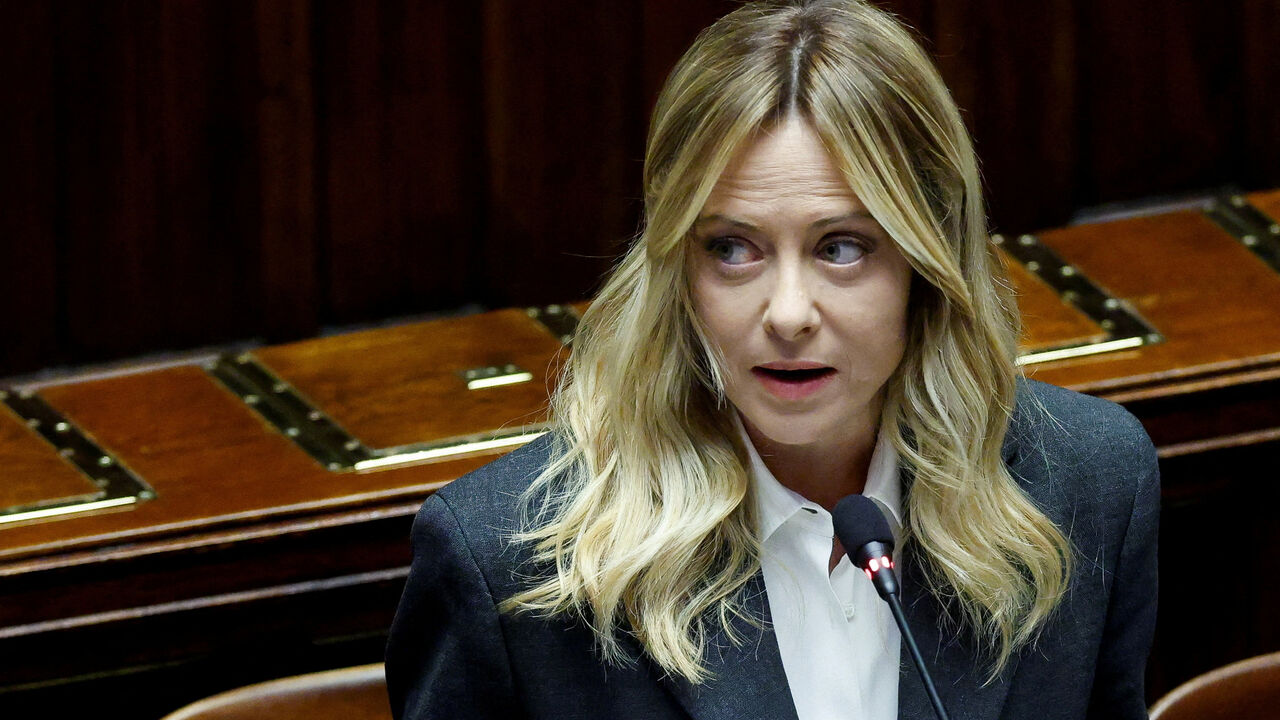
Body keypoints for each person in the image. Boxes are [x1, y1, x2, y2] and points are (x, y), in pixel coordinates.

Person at [386, 1, 1159, 718]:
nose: (788, 313)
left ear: (927, 264)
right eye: (732, 249)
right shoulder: (505, 566)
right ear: (676, 272)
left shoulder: (1087, 487)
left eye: (842, 248)